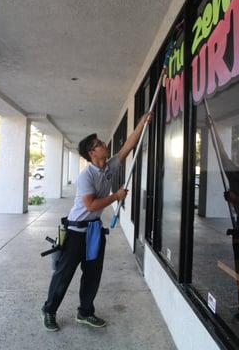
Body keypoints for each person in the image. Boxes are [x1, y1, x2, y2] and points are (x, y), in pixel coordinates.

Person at [41, 112, 152, 331]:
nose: (104, 144)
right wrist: (115, 197)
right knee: (64, 275)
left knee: (92, 275)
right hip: (75, 231)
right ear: (92, 152)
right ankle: (49, 310)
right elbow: (91, 205)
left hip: (93, 231)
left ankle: (85, 312)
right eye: (100, 143)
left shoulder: (108, 167)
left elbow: (128, 147)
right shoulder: (86, 176)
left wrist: (142, 122)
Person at [207, 115, 239, 324]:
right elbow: (221, 153)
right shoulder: (236, 174)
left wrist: (236, 199)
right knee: (238, 269)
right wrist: (213, 128)